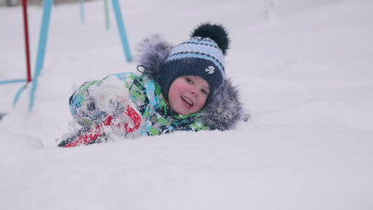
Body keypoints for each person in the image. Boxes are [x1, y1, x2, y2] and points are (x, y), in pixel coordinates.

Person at [58, 23, 247, 147]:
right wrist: (101, 97)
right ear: (169, 76)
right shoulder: (132, 89)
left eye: (204, 90)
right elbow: (78, 110)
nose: (195, 91)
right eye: (189, 80)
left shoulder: (197, 124)